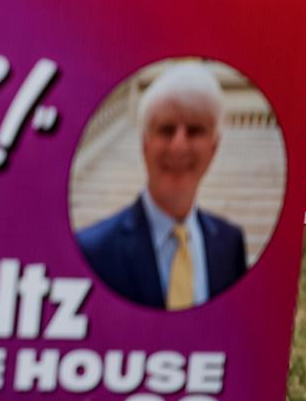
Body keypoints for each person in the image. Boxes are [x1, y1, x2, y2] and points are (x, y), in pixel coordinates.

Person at [75, 63, 248, 310]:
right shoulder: (94, 249)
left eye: (195, 130)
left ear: (214, 147)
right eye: (166, 130)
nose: (179, 146)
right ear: (144, 144)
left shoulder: (230, 245)